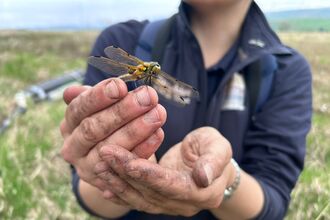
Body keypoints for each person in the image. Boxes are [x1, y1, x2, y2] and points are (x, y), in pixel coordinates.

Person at [60, 0, 312, 219]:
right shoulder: (122, 39)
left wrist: (226, 177)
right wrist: (111, 167)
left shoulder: (287, 71)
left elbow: (274, 200)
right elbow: (86, 188)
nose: (155, 71)